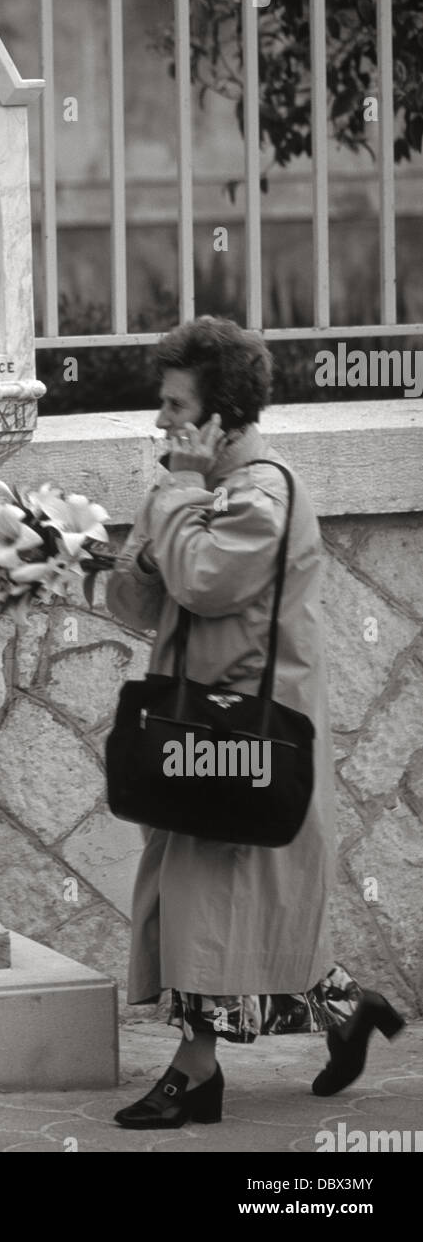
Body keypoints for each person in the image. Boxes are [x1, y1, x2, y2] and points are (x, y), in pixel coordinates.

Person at [102, 316, 404, 1129]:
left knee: (209, 895)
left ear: (218, 413)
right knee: (216, 894)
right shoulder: (197, 488)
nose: (161, 419)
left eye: (173, 405)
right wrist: (146, 527)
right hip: (195, 728)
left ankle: (194, 1074)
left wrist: (172, 497)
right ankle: (349, 1009)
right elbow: (136, 603)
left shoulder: (259, 496)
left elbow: (201, 582)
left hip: (242, 737)